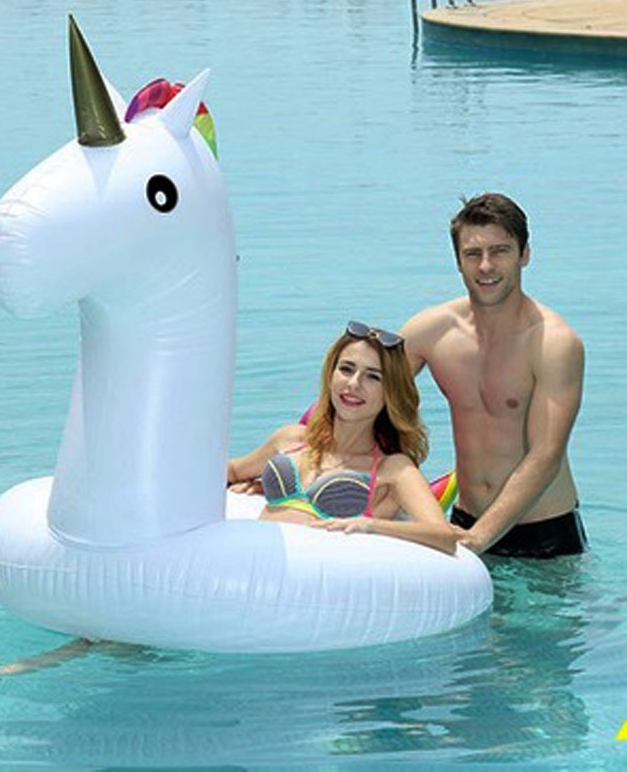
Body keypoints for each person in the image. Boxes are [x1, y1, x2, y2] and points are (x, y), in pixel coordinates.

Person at [400, 192, 586, 558]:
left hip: (545, 536)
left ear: (524, 254)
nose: (486, 266)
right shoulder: (430, 332)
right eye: (473, 254)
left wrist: (478, 539)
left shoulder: (553, 342)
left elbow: (546, 455)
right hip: (465, 521)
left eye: (500, 251)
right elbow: (362, 398)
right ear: (458, 261)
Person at [228, 322, 457, 555]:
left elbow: (444, 537)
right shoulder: (292, 439)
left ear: (391, 392)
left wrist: (372, 526)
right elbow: (233, 470)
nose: (353, 384)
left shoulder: (394, 469)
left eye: (373, 377)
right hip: (255, 568)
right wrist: (263, 486)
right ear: (331, 374)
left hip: (319, 574)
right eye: (346, 369)